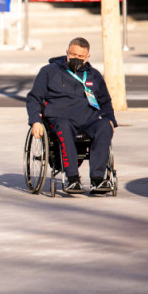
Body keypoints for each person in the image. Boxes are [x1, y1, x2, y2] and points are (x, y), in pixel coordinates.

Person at [25, 37, 117, 194]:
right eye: (73, 54)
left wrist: (110, 120)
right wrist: (35, 121)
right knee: (64, 127)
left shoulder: (94, 75)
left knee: (104, 127)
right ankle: (73, 179)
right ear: (67, 52)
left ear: (87, 57)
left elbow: (105, 101)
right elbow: (34, 98)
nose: (76, 58)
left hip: (89, 119)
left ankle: (98, 180)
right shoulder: (49, 71)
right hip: (60, 118)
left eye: (80, 56)